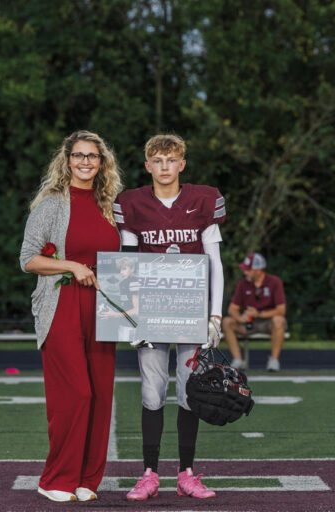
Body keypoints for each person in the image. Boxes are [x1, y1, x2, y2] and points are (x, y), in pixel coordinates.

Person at [114, 134, 226, 501]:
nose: (164, 167)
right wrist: (130, 318)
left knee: (190, 390)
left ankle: (186, 474)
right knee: (152, 391)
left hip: (191, 308)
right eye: (157, 161)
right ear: (147, 166)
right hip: (151, 309)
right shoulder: (131, 203)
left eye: (171, 160)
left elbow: (215, 262)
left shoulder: (203, 199)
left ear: (182, 164)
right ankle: (149, 474)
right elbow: (127, 264)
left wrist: (215, 314)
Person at [19, 130, 123, 503]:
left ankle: (86, 480)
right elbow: (28, 259)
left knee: (100, 394)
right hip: (62, 305)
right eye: (78, 155)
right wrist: (71, 265)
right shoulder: (51, 204)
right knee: (76, 393)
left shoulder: (112, 204)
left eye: (92, 156)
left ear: (101, 162)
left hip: (104, 309)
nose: (85, 162)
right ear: (66, 160)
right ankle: (55, 479)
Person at [222, 252, 287, 371]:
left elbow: (281, 310)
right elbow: (232, 308)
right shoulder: (243, 283)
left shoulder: (274, 282)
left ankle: (273, 361)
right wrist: (240, 318)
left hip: (268, 323)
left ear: (258, 270)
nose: (245, 272)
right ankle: (238, 360)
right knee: (227, 321)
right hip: (248, 323)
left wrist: (259, 314)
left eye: (248, 270)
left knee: (279, 320)